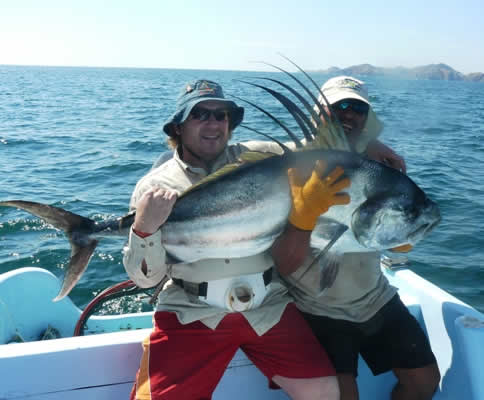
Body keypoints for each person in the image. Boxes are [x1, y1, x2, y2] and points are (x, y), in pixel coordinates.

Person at [122, 79, 351, 400]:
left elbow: (324, 152)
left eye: (221, 115)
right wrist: (144, 229)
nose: (213, 123)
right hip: (193, 310)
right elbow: (145, 280)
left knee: (326, 393)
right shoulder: (155, 187)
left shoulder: (262, 157)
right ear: (178, 128)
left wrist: (371, 148)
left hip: (268, 306)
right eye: (200, 114)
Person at [274, 76, 440, 400]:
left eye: (357, 108)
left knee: (424, 383)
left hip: (375, 299)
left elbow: (400, 226)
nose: (348, 113)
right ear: (317, 113)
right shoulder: (289, 162)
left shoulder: (380, 166)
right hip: (314, 307)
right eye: (339, 106)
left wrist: (404, 236)